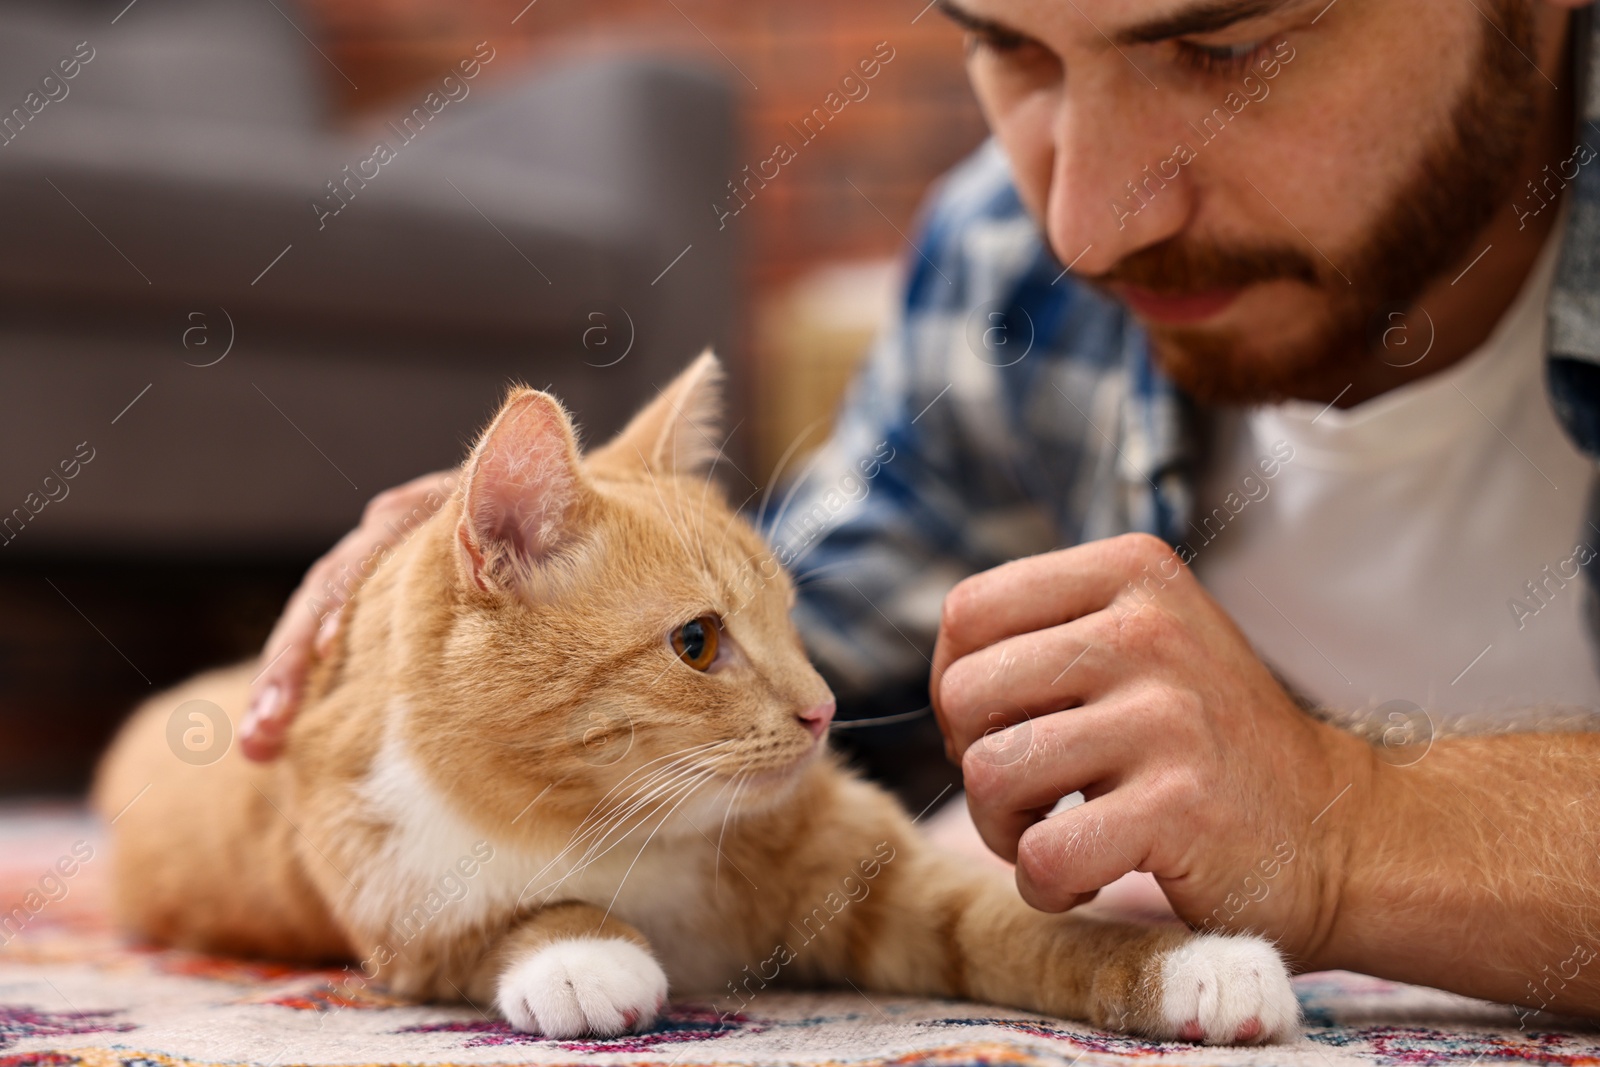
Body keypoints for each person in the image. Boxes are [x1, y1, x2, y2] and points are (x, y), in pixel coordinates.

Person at [240, 0, 1600, 1020]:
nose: (1086, 228)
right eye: (1011, 47)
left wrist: (1344, 820)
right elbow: (796, 651)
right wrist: (459, 654)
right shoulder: (1004, 264)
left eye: (1225, 46)